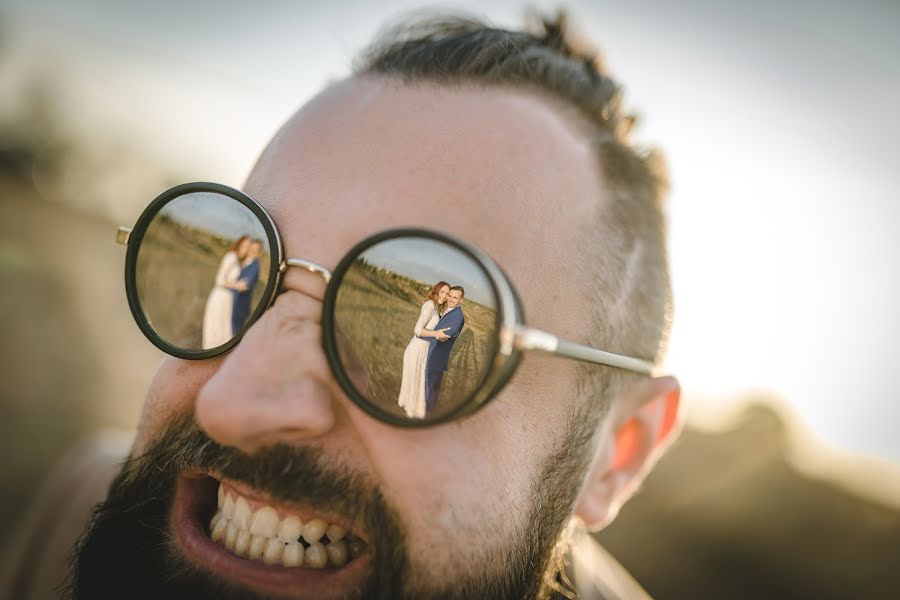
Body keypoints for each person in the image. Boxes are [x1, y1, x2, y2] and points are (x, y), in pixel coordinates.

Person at [5, 12, 681, 600]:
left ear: (619, 454)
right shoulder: (75, 502)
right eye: (249, 249)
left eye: (442, 279)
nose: (232, 405)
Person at [397, 280, 451, 418]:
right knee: (416, 381)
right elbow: (417, 330)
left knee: (419, 381)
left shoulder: (436, 309)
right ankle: (410, 414)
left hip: (424, 350)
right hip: (417, 349)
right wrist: (436, 334)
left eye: (447, 293)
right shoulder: (429, 305)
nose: (444, 296)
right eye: (442, 292)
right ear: (437, 290)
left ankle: (413, 412)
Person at [201, 236, 250, 349]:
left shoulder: (237, 261)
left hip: (227, 298)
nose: (245, 250)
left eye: (248, 248)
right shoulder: (231, 257)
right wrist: (238, 285)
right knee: (215, 329)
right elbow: (219, 280)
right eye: (243, 246)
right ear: (238, 244)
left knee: (223, 330)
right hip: (220, 296)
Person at [423, 285, 466, 413]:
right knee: (431, 389)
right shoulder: (448, 311)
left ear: (461, 301)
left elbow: (444, 336)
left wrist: (424, 331)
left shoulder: (458, 316)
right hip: (434, 356)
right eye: (450, 296)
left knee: (429, 389)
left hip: (436, 358)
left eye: (455, 298)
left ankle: (424, 417)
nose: (451, 299)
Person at [230, 239, 262, 336]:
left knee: (234, 333)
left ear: (259, 251)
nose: (253, 250)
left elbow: (245, 285)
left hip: (240, 305)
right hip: (232, 301)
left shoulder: (255, 265)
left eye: (256, 249)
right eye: (252, 248)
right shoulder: (243, 261)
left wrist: (226, 283)